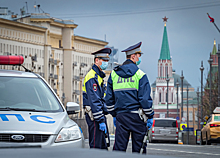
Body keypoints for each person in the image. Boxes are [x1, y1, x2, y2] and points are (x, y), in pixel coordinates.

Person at [105, 42, 154, 153]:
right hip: (138, 117)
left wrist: (114, 114)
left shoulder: (114, 74)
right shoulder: (141, 75)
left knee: (119, 150)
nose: (139, 58)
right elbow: (145, 100)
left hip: (121, 116)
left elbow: (108, 99)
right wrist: (150, 115)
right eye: (139, 56)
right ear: (133, 56)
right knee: (139, 150)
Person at [83, 48, 111, 149]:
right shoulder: (92, 77)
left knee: (103, 147)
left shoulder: (98, 76)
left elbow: (101, 98)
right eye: (104, 60)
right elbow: (94, 100)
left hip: (98, 116)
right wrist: (100, 119)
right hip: (94, 117)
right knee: (96, 147)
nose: (106, 63)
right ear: (96, 61)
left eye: (107, 61)